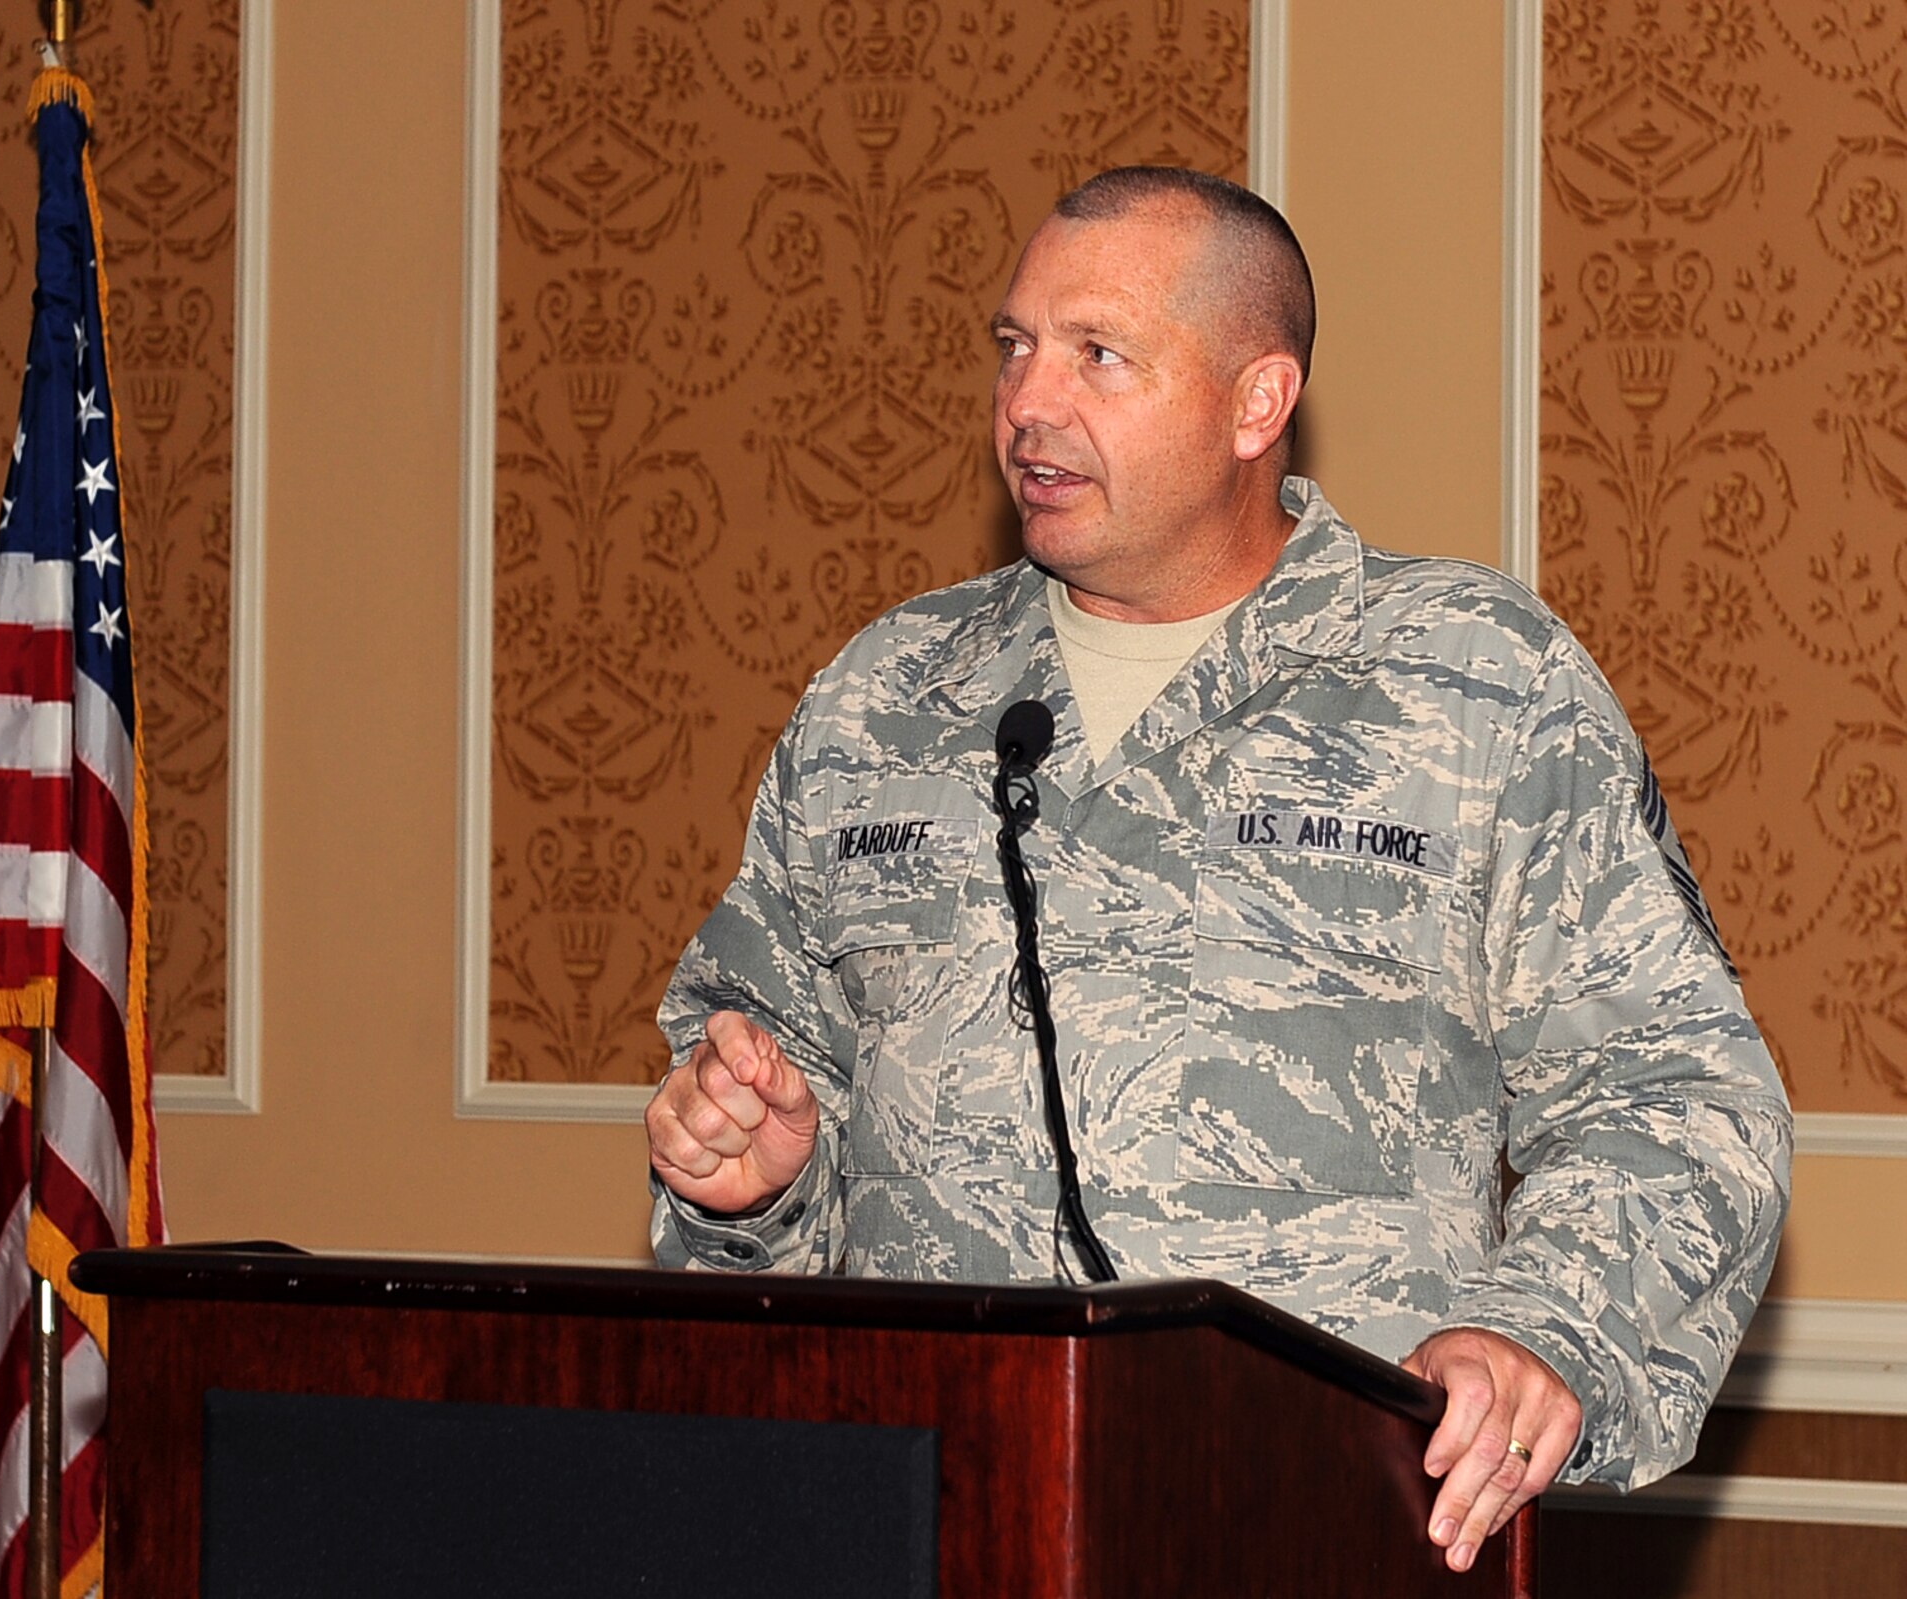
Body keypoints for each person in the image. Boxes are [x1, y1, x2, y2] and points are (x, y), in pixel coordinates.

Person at [642, 167, 1792, 1574]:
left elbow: (1679, 1101)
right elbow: (751, 1144)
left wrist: (1545, 1330)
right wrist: (750, 1186)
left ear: (1259, 404)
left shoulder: (1474, 685)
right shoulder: (888, 697)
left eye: (1099, 355)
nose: (1030, 404)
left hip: (1323, 1525)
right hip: (920, 1524)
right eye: (1015, 348)